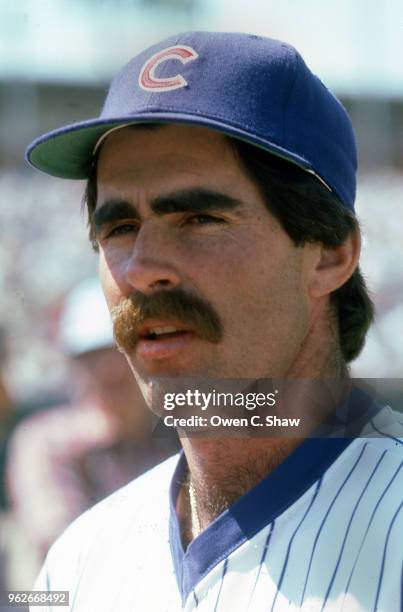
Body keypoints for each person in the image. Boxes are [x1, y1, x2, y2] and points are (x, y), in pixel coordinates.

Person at [25, 32, 402, 611]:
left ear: (330, 254)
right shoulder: (78, 560)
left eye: (199, 218)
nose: (142, 269)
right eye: (119, 228)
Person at [5, 278, 179, 588]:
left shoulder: (178, 434)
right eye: (94, 357)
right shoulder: (47, 443)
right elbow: (63, 543)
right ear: (75, 364)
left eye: (121, 351)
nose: (110, 371)